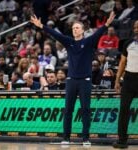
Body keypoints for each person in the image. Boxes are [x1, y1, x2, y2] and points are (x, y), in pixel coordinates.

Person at [31, 12, 115, 145]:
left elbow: (98, 33)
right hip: (71, 81)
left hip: (85, 81)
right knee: (68, 110)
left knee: (86, 110)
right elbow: (56, 35)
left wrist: (107, 24)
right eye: (73, 28)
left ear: (82, 30)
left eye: (77, 27)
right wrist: (41, 26)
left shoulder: (88, 42)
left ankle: (86, 138)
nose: (74, 29)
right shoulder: (69, 42)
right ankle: (66, 138)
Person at [113, 20, 138, 149]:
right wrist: (117, 80)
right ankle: (122, 141)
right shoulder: (128, 43)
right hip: (128, 79)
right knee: (123, 110)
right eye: (134, 26)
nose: (136, 28)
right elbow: (122, 63)